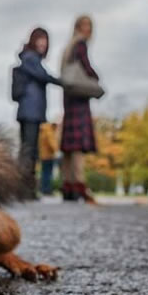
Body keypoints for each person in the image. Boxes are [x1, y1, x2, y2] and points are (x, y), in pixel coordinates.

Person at [15, 28, 62, 192]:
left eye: (45, 40)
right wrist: (63, 82)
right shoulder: (30, 59)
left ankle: (25, 187)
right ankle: (24, 187)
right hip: (30, 111)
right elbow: (43, 76)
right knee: (29, 150)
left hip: (31, 111)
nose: (43, 43)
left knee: (30, 148)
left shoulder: (32, 59)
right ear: (34, 40)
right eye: (40, 39)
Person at [60, 15, 99, 203]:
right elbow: (87, 68)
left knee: (68, 148)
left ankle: (67, 185)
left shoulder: (67, 49)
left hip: (69, 100)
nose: (88, 30)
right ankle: (78, 184)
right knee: (76, 147)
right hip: (79, 100)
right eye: (86, 26)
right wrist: (95, 78)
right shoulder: (80, 45)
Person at [38, 122, 59, 196]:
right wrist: (57, 150)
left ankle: (43, 189)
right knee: (48, 174)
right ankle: (46, 190)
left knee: (44, 173)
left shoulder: (43, 130)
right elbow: (52, 143)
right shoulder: (49, 131)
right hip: (48, 156)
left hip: (43, 155)